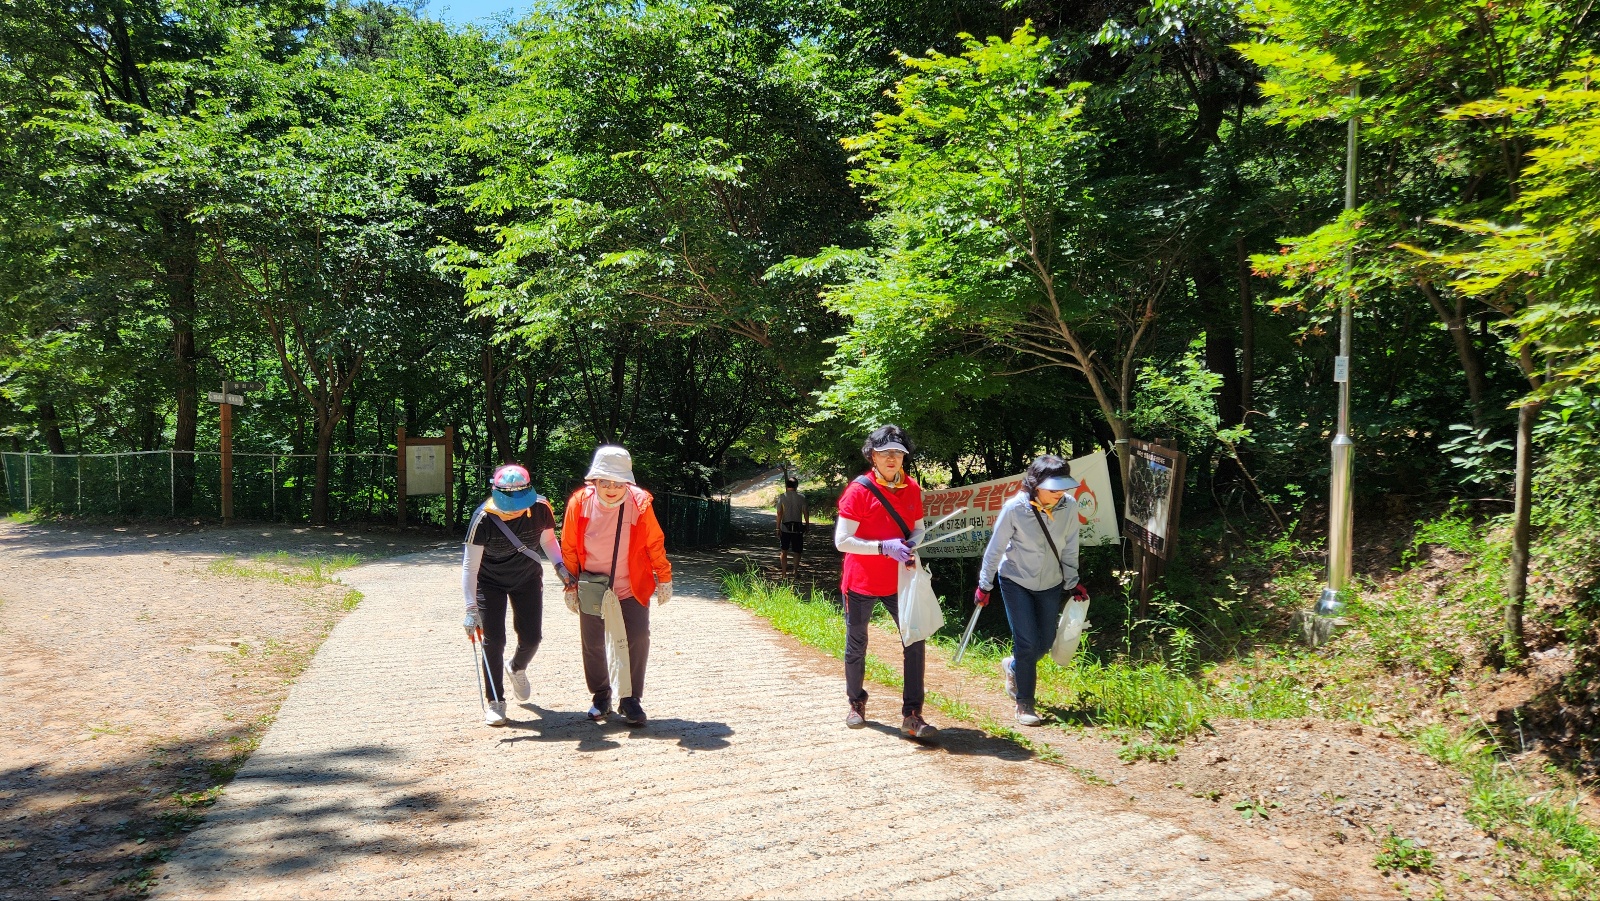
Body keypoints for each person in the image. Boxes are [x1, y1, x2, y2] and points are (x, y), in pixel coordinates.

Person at [834, 424, 937, 739]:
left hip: (900, 580)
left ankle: (912, 715)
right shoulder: (859, 490)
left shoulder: (912, 488)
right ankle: (856, 703)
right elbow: (842, 540)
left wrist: (911, 544)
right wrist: (883, 547)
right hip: (861, 581)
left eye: (898, 452)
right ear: (873, 456)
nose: (892, 458)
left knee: (914, 641)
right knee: (857, 643)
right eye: (884, 452)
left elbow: (918, 528)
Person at [560, 445, 673, 726]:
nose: (611, 489)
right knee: (593, 643)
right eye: (605, 482)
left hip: (630, 584)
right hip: (592, 585)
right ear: (594, 481)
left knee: (638, 637)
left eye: (618, 483)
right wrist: (570, 585)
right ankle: (601, 696)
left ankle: (630, 699)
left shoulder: (640, 503)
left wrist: (664, 576)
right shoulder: (579, 503)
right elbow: (569, 546)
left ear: (627, 483)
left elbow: (654, 541)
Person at [974, 454, 1088, 727]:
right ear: (1035, 484)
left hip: (1050, 582)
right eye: (1053, 488)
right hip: (1015, 580)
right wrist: (984, 584)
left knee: (1045, 642)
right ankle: (1024, 702)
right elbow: (995, 549)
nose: (1059, 493)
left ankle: (1014, 667)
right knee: (1025, 642)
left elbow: (1070, 546)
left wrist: (1072, 581)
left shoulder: (1069, 506)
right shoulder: (1015, 508)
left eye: (1063, 487)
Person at [462, 463, 573, 727]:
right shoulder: (483, 517)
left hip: (527, 578)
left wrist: (561, 568)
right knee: (494, 641)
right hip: (490, 582)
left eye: (520, 504)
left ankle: (516, 667)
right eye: (509, 505)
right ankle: (495, 701)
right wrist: (471, 608)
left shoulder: (540, 507)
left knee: (532, 637)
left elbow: (547, 540)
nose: (515, 510)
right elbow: (470, 567)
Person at [774, 476, 810, 576]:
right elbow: (805, 513)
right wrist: (807, 525)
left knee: (784, 551)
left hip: (785, 527)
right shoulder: (802, 497)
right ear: (796, 486)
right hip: (798, 528)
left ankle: (784, 573)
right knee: (797, 551)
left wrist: (777, 528)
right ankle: (795, 571)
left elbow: (779, 513)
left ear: (786, 486)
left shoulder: (782, 497)